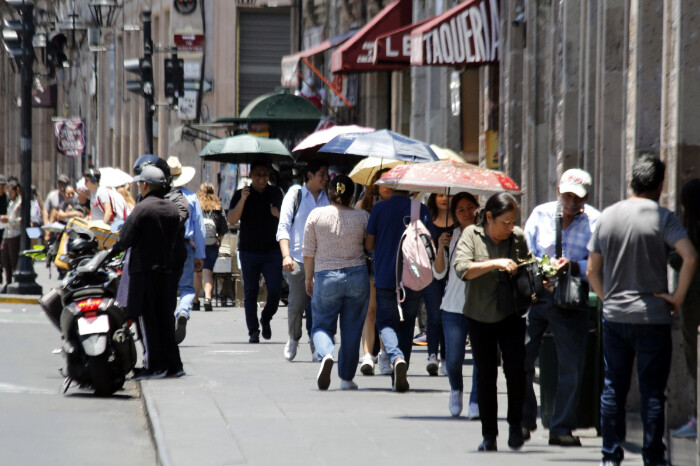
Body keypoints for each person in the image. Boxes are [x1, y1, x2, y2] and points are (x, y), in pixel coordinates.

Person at [587, 155, 698, 466]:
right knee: (652, 392)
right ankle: (653, 456)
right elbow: (689, 257)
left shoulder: (607, 217)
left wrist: (606, 298)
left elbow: (592, 270)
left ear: (630, 182)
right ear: (660, 186)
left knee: (613, 388)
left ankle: (610, 455)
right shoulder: (663, 218)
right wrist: (676, 296)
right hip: (652, 315)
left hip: (616, 314)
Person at [521, 168, 601, 446]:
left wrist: (573, 265)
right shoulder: (540, 214)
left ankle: (561, 427)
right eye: (566, 195)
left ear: (585, 198)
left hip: (571, 299)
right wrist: (542, 269)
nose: (570, 202)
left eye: (576, 197)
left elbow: (598, 263)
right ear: (558, 191)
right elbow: (526, 254)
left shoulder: (595, 221)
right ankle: (524, 419)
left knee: (572, 365)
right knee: (521, 358)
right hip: (538, 296)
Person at [453, 192, 531, 452]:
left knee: (516, 371)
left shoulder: (517, 237)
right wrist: (494, 263)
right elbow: (462, 269)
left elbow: (527, 267)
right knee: (486, 375)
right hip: (479, 316)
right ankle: (489, 434)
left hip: (510, 314)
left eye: (513, 222)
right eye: (505, 222)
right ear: (489, 217)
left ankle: (515, 425)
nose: (510, 228)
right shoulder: (471, 236)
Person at [111, 165, 185, 380]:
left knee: (148, 320)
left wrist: (113, 250)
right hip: (166, 271)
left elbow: (125, 239)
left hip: (144, 272)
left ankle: (154, 365)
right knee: (165, 319)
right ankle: (174, 365)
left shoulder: (142, 208)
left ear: (145, 185)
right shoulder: (171, 209)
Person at [304, 175, 370, 390]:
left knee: (322, 324)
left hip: (326, 275)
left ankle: (326, 354)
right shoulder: (363, 217)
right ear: (352, 195)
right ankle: (347, 378)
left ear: (329, 193)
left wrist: (307, 277)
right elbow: (369, 246)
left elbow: (308, 252)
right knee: (352, 329)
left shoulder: (316, 215)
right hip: (357, 276)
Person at [365, 188, 434, 392]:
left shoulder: (379, 209)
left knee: (386, 323)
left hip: (386, 275)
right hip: (412, 277)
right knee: (408, 324)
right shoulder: (420, 209)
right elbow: (430, 242)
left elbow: (369, 244)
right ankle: (399, 372)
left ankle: (395, 357)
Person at [277, 160, 330, 360]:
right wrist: (286, 255)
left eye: (327, 175)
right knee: (297, 304)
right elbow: (283, 226)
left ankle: (316, 344)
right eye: (321, 174)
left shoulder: (329, 197)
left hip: (322, 261)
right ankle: (294, 337)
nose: (326, 178)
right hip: (298, 259)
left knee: (318, 305)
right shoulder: (295, 194)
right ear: (309, 175)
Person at [433, 191, 480, 418]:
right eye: (460, 210)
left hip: (481, 307)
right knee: (452, 360)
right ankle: (456, 389)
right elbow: (439, 274)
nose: (466, 213)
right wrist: (441, 248)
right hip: (452, 306)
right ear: (455, 215)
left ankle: (476, 401)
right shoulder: (452, 236)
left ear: (477, 208)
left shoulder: (487, 234)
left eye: (470, 207)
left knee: (481, 358)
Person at [229, 161, 283, 342]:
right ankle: (253, 330)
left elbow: (287, 218)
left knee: (275, 289)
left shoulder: (276, 193)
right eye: (258, 174)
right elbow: (231, 219)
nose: (262, 178)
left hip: (272, 251)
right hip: (249, 251)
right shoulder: (241, 194)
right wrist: (243, 199)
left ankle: (266, 318)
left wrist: (277, 214)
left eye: (265, 174)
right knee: (250, 292)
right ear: (251, 175)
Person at [670, 178, 700, 439]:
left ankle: (696, 419)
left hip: (692, 303)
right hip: (692, 301)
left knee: (694, 362)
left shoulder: (689, 230)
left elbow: (678, 260)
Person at [356, 167, 393, 376]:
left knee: (386, 312)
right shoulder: (364, 205)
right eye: (382, 181)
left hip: (389, 262)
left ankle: (385, 354)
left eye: (391, 181)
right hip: (369, 261)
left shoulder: (398, 205)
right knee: (370, 310)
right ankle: (368, 355)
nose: (387, 186)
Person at [167, 156, 205, 345]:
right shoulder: (190, 197)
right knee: (187, 287)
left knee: (167, 287)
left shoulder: (161, 195)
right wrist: (200, 255)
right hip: (186, 247)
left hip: (164, 248)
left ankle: (166, 322)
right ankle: (183, 311)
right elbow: (199, 228)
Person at [423, 193, 454, 376]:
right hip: (430, 270)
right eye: (440, 195)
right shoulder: (427, 218)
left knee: (448, 314)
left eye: (447, 195)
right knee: (434, 314)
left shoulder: (457, 221)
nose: (444, 198)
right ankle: (432, 355)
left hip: (453, 273)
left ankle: (445, 358)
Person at [195, 183, 229, 312]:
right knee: (208, 272)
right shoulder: (217, 206)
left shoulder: (197, 205)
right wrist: (218, 241)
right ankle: (208, 298)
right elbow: (223, 228)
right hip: (212, 243)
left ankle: (196, 300)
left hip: (198, 243)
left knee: (197, 272)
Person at [0, 177, 22, 289]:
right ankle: (7, 281)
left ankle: (14, 281)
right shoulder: (11, 202)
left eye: (11, 192)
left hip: (15, 234)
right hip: (7, 233)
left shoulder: (20, 203)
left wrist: (8, 220)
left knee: (13, 259)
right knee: (5, 257)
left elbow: (21, 220)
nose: (10, 194)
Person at [43, 174, 68, 243]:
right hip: (54, 226)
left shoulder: (70, 195)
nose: (61, 186)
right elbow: (46, 211)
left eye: (63, 184)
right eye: (60, 183)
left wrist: (66, 196)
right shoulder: (52, 195)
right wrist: (46, 225)